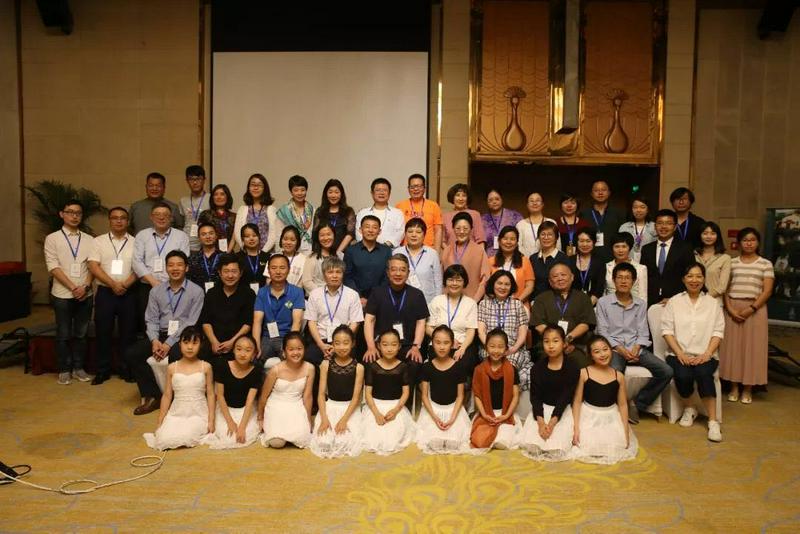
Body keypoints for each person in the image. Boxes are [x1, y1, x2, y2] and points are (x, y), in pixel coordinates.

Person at [126, 250, 204, 416]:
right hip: (160, 334)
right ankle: (154, 396)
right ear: (166, 268)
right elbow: (151, 319)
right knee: (133, 353)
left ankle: (177, 398)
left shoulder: (196, 291)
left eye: (179, 265)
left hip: (184, 336)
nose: (175, 268)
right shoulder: (156, 291)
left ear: (187, 268)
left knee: (177, 354)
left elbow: (191, 322)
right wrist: (154, 340)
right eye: (171, 265)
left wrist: (169, 343)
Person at [596, 262, 673, 424]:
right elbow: (603, 331)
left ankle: (638, 403)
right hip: (614, 349)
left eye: (627, 278)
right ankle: (616, 409)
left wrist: (637, 348)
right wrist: (622, 350)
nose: (623, 281)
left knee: (666, 371)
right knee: (616, 372)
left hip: (636, 348)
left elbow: (643, 331)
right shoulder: (603, 302)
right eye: (620, 278)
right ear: (613, 280)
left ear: (634, 281)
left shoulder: (640, 304)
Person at [661, 262, 725, 442]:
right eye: (690, 276)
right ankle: (690, 408)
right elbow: (667, 331)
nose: (694, 280)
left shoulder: (713, 304)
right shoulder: (674, 302)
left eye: (698, 276)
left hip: (706, 354)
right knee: (682, 376)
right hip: (678, 354)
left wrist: (707, 354)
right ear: (683, 279)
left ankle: (713, 422)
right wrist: (680, 353)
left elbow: (718, 332)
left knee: (704, 374)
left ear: (704, 279)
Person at [44, 199, 96, 385]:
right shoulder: (52, 238)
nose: (74, 216)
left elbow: (93, 267)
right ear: (61, 214)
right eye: (70, 212)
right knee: (64, 334)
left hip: (85, 294)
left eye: (78, 213)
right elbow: (53, 267)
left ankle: (79, 368)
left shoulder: (90, 239)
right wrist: (73, 287)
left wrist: (86, 287)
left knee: (81, 334)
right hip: (62, 295)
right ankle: (64, 369)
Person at [721, 228, 774, 404]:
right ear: (739, 243)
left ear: (758, 243)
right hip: (733, 308)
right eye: (745, 240)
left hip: (756, 309)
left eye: (752, 240)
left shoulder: (765, 264)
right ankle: (734, 387)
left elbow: (767, 291)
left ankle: (748, 388)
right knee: (733, 349)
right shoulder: (732, 262)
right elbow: (725, 288)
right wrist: (729, 309)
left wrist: (751, 308)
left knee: (753, 349)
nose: (749, 243)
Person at [143, 326, 214, 451]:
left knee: (186, 436)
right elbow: (167, 395)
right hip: (177, 412)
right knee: (163, 438)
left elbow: (211, 394)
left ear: (200, 345)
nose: (190, 347)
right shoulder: (172, 368)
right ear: (180, 344)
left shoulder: (206, 367)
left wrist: (211, 420)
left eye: (194, 343)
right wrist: (161, 420)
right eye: (186, 343)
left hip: (198, 413)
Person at [87, 207, 137, 385]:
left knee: (128, 333)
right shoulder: (98, 241)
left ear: (128, 221)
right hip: (106, 292)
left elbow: (140, 267)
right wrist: (112, 284)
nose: (119, 221)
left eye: (123, 218)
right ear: (109, 220)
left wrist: (125, 284)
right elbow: (93, 266)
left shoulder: (135, 241)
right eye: (115, 218)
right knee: (103, 332)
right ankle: (102, 370)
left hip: (128, 291)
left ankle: (126, 369)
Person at [571, 335, 638, 464]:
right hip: (589, 416)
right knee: (584, 447)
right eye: (597, 352)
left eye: (605, 349)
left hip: (611, 416)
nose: (602, 354)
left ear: (611, 350)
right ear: (590, 355)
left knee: (617, 447)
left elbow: (623, 405)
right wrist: (576, 428)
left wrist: (625, 430)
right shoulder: (584, 373)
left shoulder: (619, 376)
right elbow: (577, 402)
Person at [363, 255, 429, 383]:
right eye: (394, 269)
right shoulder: (377, 293)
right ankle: (377, 400)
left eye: (402, 270)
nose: (398, 273)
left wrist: (416, 346)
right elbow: (369, 320)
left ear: (408, 273)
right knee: (369, 361)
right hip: (382, 345)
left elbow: (421, 322)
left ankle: (406, 401)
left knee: (415, 364)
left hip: (407, 346)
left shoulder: (417, 295)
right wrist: (371, 346)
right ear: (388, 272)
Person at [520, 325, 578, 462]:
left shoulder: (572, 367)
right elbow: (535, 397)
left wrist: (551, 423)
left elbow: (566, 397)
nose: (551, 346)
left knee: (557, 449)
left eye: (555, 341)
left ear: (564, 343)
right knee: (534, 446)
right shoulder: (537, 368)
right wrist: (541, 423)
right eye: (546, 341)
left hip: (561, 411)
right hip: (541, 411)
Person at [132, 202, 190, 332]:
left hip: (174, 288)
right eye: (157, 214)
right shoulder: (142, 235)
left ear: (171, 218)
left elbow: (183, 261)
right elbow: (137, 261)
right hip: (147, 286)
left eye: (165, 215)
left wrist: (167, 284)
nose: (161, 217)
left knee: (172, 322)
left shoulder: (181, 236)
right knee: (147, 323)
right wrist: (153, 282)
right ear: (151, 217)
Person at [310, 325, 365, 459]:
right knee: (324, 442)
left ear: (353, 344)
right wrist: (324, 418)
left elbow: (356, 398)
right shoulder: (325, 364)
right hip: (330, 407)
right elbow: (321, 394)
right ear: (332, 344)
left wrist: (344, 420)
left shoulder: (359, 367)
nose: (342, 347)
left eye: (346, 343)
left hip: (349, 410)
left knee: (344, 443)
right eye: (337, 343)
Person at [415, 326, 471, 454]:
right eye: (438, 342)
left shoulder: (459, 367)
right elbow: (424, 396)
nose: (441, 347)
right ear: (432, 343)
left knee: (454, 443)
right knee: (433, 442)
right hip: (433, 410)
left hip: (453, 410)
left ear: (452, 344)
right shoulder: (427, 367)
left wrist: (452, 418)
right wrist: (434, 417)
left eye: (446, 343)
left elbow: (460, 396)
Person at [531, 263, 597, 368]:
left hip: (576, 346)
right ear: (550, 282)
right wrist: (556, 342)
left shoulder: (583, 298)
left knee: (582, 364)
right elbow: (538, 325)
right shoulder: (541, 299)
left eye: (563, 275)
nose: (560, 278)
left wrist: (567, 339)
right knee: (545, 363)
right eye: (555, 276)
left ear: (572, 277)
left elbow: (586, 323)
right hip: (548, 347)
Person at [362, 329, 416, 455]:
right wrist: (376, 413)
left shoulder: (403, 367)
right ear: (379, 346)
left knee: (394, 436)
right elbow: (368, 393)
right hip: (375, 406)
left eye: (394, 344)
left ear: (399, 346)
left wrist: (396, 410)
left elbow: (406, 392)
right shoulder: (372, 366)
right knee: (372, 437)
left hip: (396, 406)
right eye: (385, 345)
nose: (389, 349)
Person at [202, 335, 262, 449]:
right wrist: (230, 422)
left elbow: (250, 401)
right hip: (225, 408)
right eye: (239, 349)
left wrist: (242, 427)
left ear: (254, 354)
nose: (242, 354)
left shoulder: (256, 370)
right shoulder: (222, 365)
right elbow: (219, 396)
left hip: (245, 409)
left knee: (244, 437)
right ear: (233, 350)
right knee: (227, 437)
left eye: (248, 350)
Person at [258, 332, 315, 449]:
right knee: (277, 443)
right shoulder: (276, 370)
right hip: (276, 405)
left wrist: (308, 419)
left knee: (302, 439)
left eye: (299, 348)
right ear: (284, 351)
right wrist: (260, 417)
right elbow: (263, 396)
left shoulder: (310, 368)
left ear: (304, 350)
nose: (296, 353)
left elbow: (307, 396)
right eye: (291, 349)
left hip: (296, 405)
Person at [477, 271, 531, 391]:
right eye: (499, 283)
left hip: (512, 348)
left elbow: (523, 331)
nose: (503, 287)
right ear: (493, 284)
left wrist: (514, 348)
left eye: (507, 284)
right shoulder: (484, 304)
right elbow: (481, 331)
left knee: (508, 368)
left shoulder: (517, 304)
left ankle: (506, 403)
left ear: (511, 287)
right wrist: (491, 347)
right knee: (492, 368)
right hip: (489, 348)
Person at [304, 257, 364, 366]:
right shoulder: (315, 294)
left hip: (344, 342)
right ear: (324, 274)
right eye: (330, 272)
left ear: (343, 274)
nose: (334, 275)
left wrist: (339, 345)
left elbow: (356, 323)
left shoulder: (352, 295)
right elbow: (311, 322)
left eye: (338, 272)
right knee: (309, 358)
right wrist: (321, 345)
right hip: (320, 341)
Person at [470, 328, 522, 450]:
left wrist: (506, 415)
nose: (496, 350)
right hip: (486, 413)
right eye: (492, 346)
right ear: (486, 347)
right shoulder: (479, 369)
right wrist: (484, 414)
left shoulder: (512, 369)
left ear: (506, 349)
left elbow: (515, 396)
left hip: (505, 414)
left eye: (500, 347)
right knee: (479, 441)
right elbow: (477, 395)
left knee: (503, 442)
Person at [199, 254, 255, 360]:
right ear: (220, 273)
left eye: (234, 271)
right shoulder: (212, 293)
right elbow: (205, 322)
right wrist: (214, 342)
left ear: (240, 273)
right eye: (226, 271)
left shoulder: (248, 294)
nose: (230, 276)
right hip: (214, 342)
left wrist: (232, 342)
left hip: (238, 342)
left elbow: (248, 324)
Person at [252, 254, 305, 368]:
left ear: (289, 270)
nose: (278, 271)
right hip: (267, 337)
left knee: (292, 363)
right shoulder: (262, 292)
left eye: (282, 268)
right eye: (274, 268)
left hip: (287, 336)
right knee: (254, 361)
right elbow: (257, 321)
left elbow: (297, 322)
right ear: (268, 270)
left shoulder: (297, 292)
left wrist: (290, 345)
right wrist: (256, 345)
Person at [426, 264, 479, 376]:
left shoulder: (471, 304)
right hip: (438, 344)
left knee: (464, 363)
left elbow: (471, 331)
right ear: (445, 282)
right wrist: (444, 339)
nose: (454, 283)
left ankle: (461, 392)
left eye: (458, 280)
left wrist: (463, 348)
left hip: (461, 344)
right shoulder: (437, 301)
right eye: (451, 280)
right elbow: (428, 327)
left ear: (464, 282)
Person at [640, 209, 695, 306]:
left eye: (668, 223)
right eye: (660, 223)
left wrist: (675, 298)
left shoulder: (685, 249)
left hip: (677, 301)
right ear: (655, 226)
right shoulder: (646, 249)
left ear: (675, 227)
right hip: (651, 301)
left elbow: (689, 276)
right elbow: (643, 276)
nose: (664, 227)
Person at [440, 212, 490, 300]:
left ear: (471, 229)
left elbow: (485, 280)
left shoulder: (479, 251)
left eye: (465, 228)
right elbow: (441, 277)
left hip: (472, 300)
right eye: (458, 228)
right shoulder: (447, 250)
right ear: (453, 229)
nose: (461, 232)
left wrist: (475, 301)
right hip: (449, 301)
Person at [344, 215, 392, 305]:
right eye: (367, 227)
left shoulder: (386, 251)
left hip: (380, 299)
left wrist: (375, 297)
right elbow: (347, 276)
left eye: (374, 227)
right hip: (355, 299)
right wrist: (358, 296)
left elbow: (387, 276)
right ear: (360, 230)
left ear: (379, 231)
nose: (370, 230)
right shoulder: (351, 250)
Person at [393, 218, 443, 304]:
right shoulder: (396, 252)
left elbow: (438, 282)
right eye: (410, 231)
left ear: (424, 235)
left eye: (418, 232)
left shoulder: (432, 254)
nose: (414, 235)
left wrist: (437, 303)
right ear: (405, 234)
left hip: (428, 302)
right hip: (402, 301)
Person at [580, 180, 626, 261]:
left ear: (609, 193)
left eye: (603, 190)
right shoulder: (584, 214)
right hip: (589, 258)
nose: (600, 193)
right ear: (591, 194)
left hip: (613, 258)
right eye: (596, 190)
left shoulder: (619, 213)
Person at [488, 226, 535, 306]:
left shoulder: (525, 261)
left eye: (512, 239)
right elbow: (487, 285)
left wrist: (517, 302)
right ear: (499, 241)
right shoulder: (490, 261)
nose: (508, 242)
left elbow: (530, 286)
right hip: (494, 306)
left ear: (517, 243)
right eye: (505, 238)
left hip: (519, 305)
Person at [233, 173, 279, 253]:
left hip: (266, 254)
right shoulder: (242, 209)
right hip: (247, 253)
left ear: (265, 189)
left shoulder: (271, 209)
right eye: (253, 185)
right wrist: (245, 248)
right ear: (248, 188)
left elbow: (274, 234)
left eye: (259, 185)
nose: (255, 188)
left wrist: (264, 252)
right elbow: (237, 232)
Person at [355, 177, 406, 248]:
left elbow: (400, 232)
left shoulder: (397, 213)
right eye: (378, 190)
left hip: (391, 252)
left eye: (385, 190)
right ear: (372, 193)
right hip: (366, 251)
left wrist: (385, 247)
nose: (381, 193)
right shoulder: (363, 213)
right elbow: (359, 233)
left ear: (389, 193)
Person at [396, 173, 443, 250]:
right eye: (412, 187)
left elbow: (438, 230)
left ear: (424, 188)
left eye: (419, 186)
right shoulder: (400, 206)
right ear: (408, 189)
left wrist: (437, 251)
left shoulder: (434, 206)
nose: (416, 189)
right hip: (405, 249)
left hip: (428, 249)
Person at [312, 178, 356, 254]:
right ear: (326, 194)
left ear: (341, 194)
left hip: (342, 253)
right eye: (330, 192)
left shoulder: (348, 211)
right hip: (323, 253)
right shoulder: (320, 211)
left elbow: (350, 234)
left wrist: (338, 252)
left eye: (336, 192)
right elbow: (315, 233)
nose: (333, 195)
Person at [530, 221, 569, 299]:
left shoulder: (563, 258)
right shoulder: (533, 258)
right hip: (536, 302)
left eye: (550, 234)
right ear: (538, 237)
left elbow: (566, 286)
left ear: (556, 238)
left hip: (557, 303)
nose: (546, 237)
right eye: (543, 234)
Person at [603, 233, 648, 301]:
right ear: (612, 248)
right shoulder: (606, 267)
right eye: (617, 246)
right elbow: (604, 293)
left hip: (633, 307)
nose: (620, 250)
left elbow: (643, 296)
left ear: (629, 248)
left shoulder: (641, 269)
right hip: (609, 307)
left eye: (624, 246)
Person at [694, 221, 731, 304]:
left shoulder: (725, 258)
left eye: (713, 233)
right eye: (705, 233)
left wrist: (703, 298)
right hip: (692, 301)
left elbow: (722, 287)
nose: (709, 236)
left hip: (715, 302)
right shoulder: (693, 255)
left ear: (718, 236)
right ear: (700, 235)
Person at [277, 174, 315, 253]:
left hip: (309, 250)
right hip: (289, 251)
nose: (299, 193)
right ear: (291, 192)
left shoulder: (312, 210)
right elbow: (279, 235)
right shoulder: (284, 211)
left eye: (302, 190)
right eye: (296, 190)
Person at [301, 223, 342, 295]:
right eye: (322, 235)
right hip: (318, 297)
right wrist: (323, 294)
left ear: (334, 235)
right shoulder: (311, 258)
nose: (326, 238)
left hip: (338, 296)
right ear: (318, 238)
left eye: (329, 234)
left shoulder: (341, 256)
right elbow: (306, 281)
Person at [442, 183, 486, 250]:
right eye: (457, 195)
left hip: (471, 255)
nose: (461, 198)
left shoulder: (475, 214)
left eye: (464, 196)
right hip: (451, 256)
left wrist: (478, 256)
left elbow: (480, 240)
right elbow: (443, 241)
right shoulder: (445, 216)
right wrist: (450, 253)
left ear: (467, 198)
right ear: (452, 197)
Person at [481, 188, 523, 257]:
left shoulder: (515, 216)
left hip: (511, 258)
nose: (494, 202)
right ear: (487, 202)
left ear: (502, 200)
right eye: (491, 200)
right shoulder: (482, 220)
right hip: (489, 259)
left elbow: (521, 239)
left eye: (497, 199)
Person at [569, 228, 605, 305]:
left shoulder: (599, 262)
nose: (585, 244)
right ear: (577, 242)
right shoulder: (569, 261)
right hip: (571, 305)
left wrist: (587, 306)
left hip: (593, 306)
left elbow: (599, 289)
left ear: (594, 242)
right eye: (581, 241)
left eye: (588, 241)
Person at [517, 191, 559, 257]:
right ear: (527, 205)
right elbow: (518, 247)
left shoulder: (551, 222)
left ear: (542, 204)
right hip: (526, 262)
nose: (535, 203)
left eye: (538, 200)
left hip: (549, 262)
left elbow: (558, 245)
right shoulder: (521, 224)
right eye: (531, 201)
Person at [179, 165, 210, 252]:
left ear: (204, 180)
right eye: (191, 179)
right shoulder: (183, 201)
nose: (195, 182)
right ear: (187, 181)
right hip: (186, 244)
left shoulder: (210, 199)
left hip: (204, 244)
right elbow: (181, 224)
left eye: (198, 179)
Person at [198, 184, 236, 252]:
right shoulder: (205, 214)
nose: (219, 197)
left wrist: (228, 253)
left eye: (222, 194)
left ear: (227, 197)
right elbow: (201, 235)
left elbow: (234, 238)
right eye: (216, 194)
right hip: (208, 252)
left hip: (228, 252)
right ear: (212, 197)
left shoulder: (234, 217)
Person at [618, 195, 657, 262]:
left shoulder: (654, 227)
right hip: (628, 264)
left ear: (648, 210)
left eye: (642, 207)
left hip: (649, 264)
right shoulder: (624, 227)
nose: (638, 210)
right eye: (635, 207)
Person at [187, 222, 221, 292]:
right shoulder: (192, 259)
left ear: (216, 235)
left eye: (211, 233)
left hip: (221, 298)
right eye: (203, 234)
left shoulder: (225, 257)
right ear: (199, 238)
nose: (208, 237)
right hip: (198, 298)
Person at [236, 223, 270, 292]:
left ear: (259, 237)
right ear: (242, 239)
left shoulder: (267, 257)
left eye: (254, 235)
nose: (251, 238)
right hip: (243, 296)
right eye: (247, 236)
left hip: (263, 296)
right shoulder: (237, 257)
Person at [557, 192, 591, 257]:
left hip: (580, 259)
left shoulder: (584, 224)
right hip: (559, 260)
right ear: (561, 205)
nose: (569, 206)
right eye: (566, 203)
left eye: (573, 203)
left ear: (577, 205)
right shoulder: (555, 223)